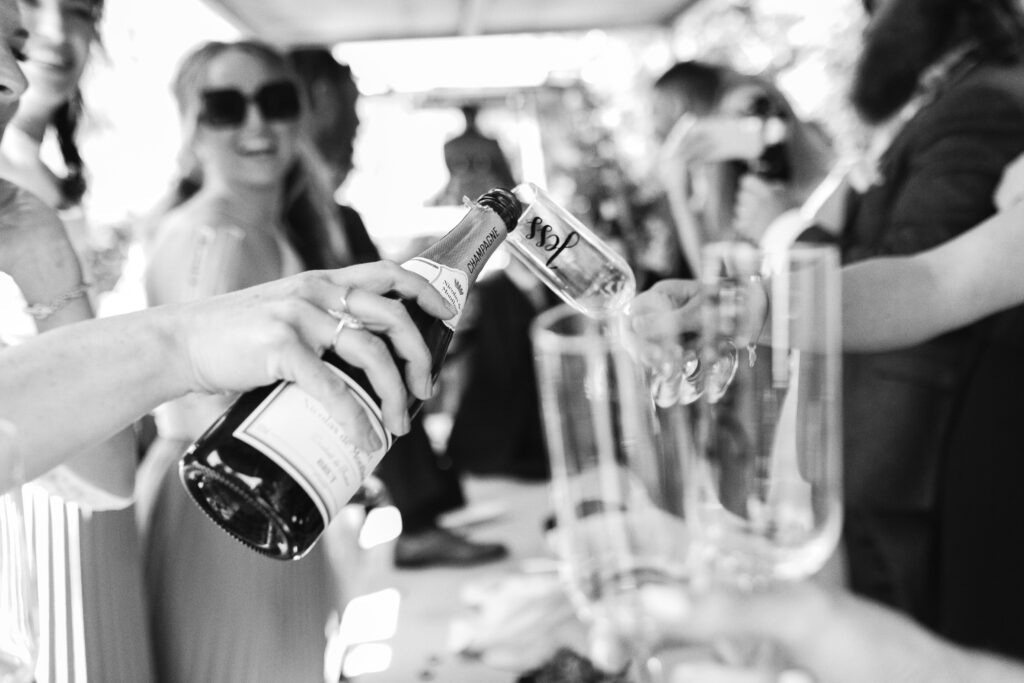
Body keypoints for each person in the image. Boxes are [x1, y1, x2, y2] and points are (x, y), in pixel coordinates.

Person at [286, 46, 508, 568]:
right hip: (321, 367)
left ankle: (433, 501)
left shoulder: (333, 212)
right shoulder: (295, 213)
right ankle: (422, 514)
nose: (356, 135)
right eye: (351, 114)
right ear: (319, 99)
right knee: (388, 346)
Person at [0, 0, 155, 679]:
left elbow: (110, 465)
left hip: (83, 495)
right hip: (42, 512)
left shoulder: (34, 185)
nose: (59, 35)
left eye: (82, 11)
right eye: (36, 9)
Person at [653, 60, 834, 276]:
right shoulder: (727, 178)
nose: (653, 122)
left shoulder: (745, 99)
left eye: (655, 110)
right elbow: (715, 274)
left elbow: (712, 275)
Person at [430, 102, 516, 207]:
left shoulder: (451, 146)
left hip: (468, 201)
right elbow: (506, 176)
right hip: (483, 202)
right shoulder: (489, 145)